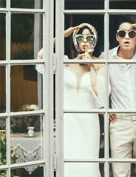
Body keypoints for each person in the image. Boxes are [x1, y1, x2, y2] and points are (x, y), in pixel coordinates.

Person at [36, 23, 102, 177]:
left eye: (89, 37)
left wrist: (91, 64)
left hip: (89, 124)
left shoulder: (101, 63)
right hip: (67, 123)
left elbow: (100, 93)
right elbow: (41, 56)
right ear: (75, 41)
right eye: (80, 37)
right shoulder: (64, 62)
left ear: (94, 41)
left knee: (89, 165)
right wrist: (61, 35)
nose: (85, 41)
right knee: (68, 165)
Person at [100, 21, 136, 177]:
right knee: (120, 172)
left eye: (131, 34)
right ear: (117, 37)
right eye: (122, 33)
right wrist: (102, 108)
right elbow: (97, 83)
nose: (127, 37)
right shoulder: (106, 57)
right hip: (119, 123)